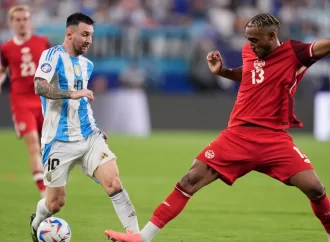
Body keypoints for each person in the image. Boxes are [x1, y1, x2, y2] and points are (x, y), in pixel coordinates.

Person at [105, 13, 330, 242]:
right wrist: (223, 72)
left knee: (315, 188)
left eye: (255, 39)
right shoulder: (251, 51)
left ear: (272, 35)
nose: (250, 44)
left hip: (274, 139)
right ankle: (142, 238)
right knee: (190, 179)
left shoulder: (295, 53)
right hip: (238, 135)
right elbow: (251, 74)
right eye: (247, 39)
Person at [29, 12, 139, 242]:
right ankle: (37, 222)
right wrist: (72, 93)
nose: (89, 40)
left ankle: (136, 236)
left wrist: (96, 128)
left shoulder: (86, 65)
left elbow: (82, 105)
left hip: (88, 137)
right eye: (85, 34)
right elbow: (39, 86)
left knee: (114, 182)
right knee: (55, 203)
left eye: (91, 35)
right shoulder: (52, 55)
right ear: (69, 33)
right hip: (57, 140)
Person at [0, 5, 51, 198]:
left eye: (25, 19)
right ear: (11, 23)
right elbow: (2, 71)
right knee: (33, 143)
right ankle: (42, 190)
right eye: (18, 19)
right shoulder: (5, 48)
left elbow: (57, 65)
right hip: (21, 101)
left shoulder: (43, 42)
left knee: (48, 144)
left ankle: (50, 180)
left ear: (30, 21)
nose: (22, 23)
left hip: (44, 99)